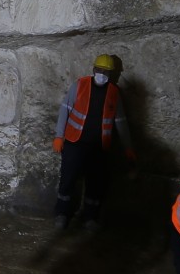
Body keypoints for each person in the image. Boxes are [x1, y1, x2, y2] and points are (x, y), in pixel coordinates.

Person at [52, 53, 133, 229]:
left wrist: (128, 147)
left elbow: (120, 121)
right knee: (68, 179)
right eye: (100, 69)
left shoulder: (114, 92)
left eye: (106, 71)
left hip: (99, 146)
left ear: (112, 74)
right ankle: (62, 213)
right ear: (94, 69)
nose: (102, 73)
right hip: (75, 142)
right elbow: (65, 110)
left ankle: (90, 217)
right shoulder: (80, 85)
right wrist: (59, 136)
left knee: (95, 183)